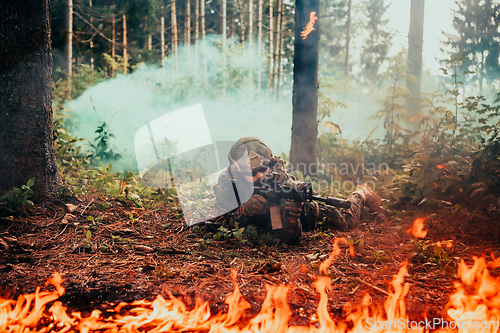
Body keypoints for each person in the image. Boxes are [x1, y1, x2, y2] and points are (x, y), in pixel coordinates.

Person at [212, 137, 381, 245]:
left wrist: (292, 218)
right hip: (260, 221)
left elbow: (290, 240)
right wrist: (244, 210)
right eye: (251, 173)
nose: (258, 176)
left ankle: (361, 193)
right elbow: (217, 225)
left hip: (305, 214)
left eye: (263, 169)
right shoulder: (228, 182)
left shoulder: (281, 181)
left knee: (347, 222)